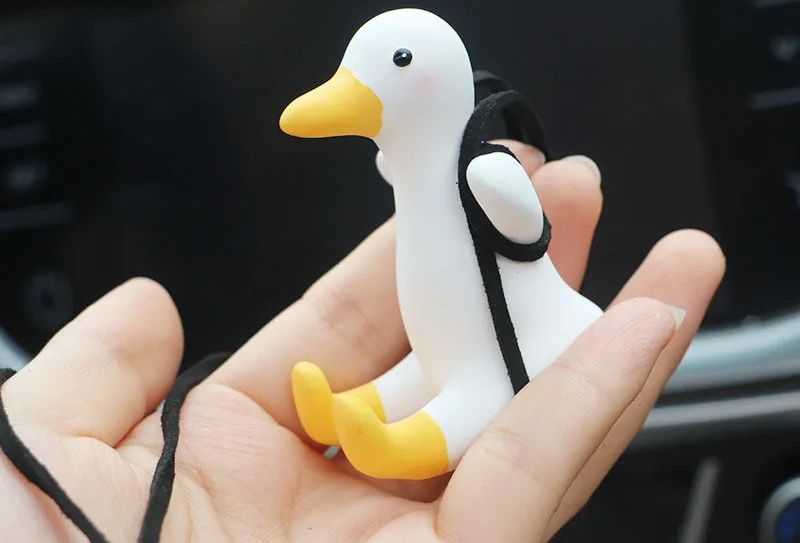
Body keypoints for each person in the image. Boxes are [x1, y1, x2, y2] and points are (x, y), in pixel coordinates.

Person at [0, 149, 725, 542]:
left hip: (534, 343)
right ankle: (360, 408)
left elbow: (522, 250)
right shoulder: (411, 178)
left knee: (465, 380)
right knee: (427, 365)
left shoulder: (482, 174)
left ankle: (402, 441)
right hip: (449, 344)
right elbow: (435, 355)